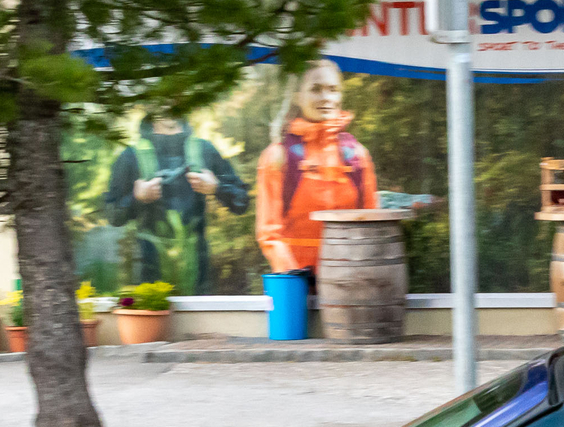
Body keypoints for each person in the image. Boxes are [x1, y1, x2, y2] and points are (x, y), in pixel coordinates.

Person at [253, 60, 379, 277]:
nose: (326, 98)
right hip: (296, 285)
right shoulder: (278, 157)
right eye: (315, 89)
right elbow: (269, 234)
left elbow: (373, 227)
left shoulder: (357, 155)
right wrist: (295, 279)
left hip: (350, 284)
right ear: (297, 96)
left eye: (333, 90)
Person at [102, 113, 250, 295]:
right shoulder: (130, 156)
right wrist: (136, 197)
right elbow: (112, 216)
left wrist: (216, 188)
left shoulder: (204, 150)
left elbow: (242, 202)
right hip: (150, 283)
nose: (169, 105)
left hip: (198, 280)